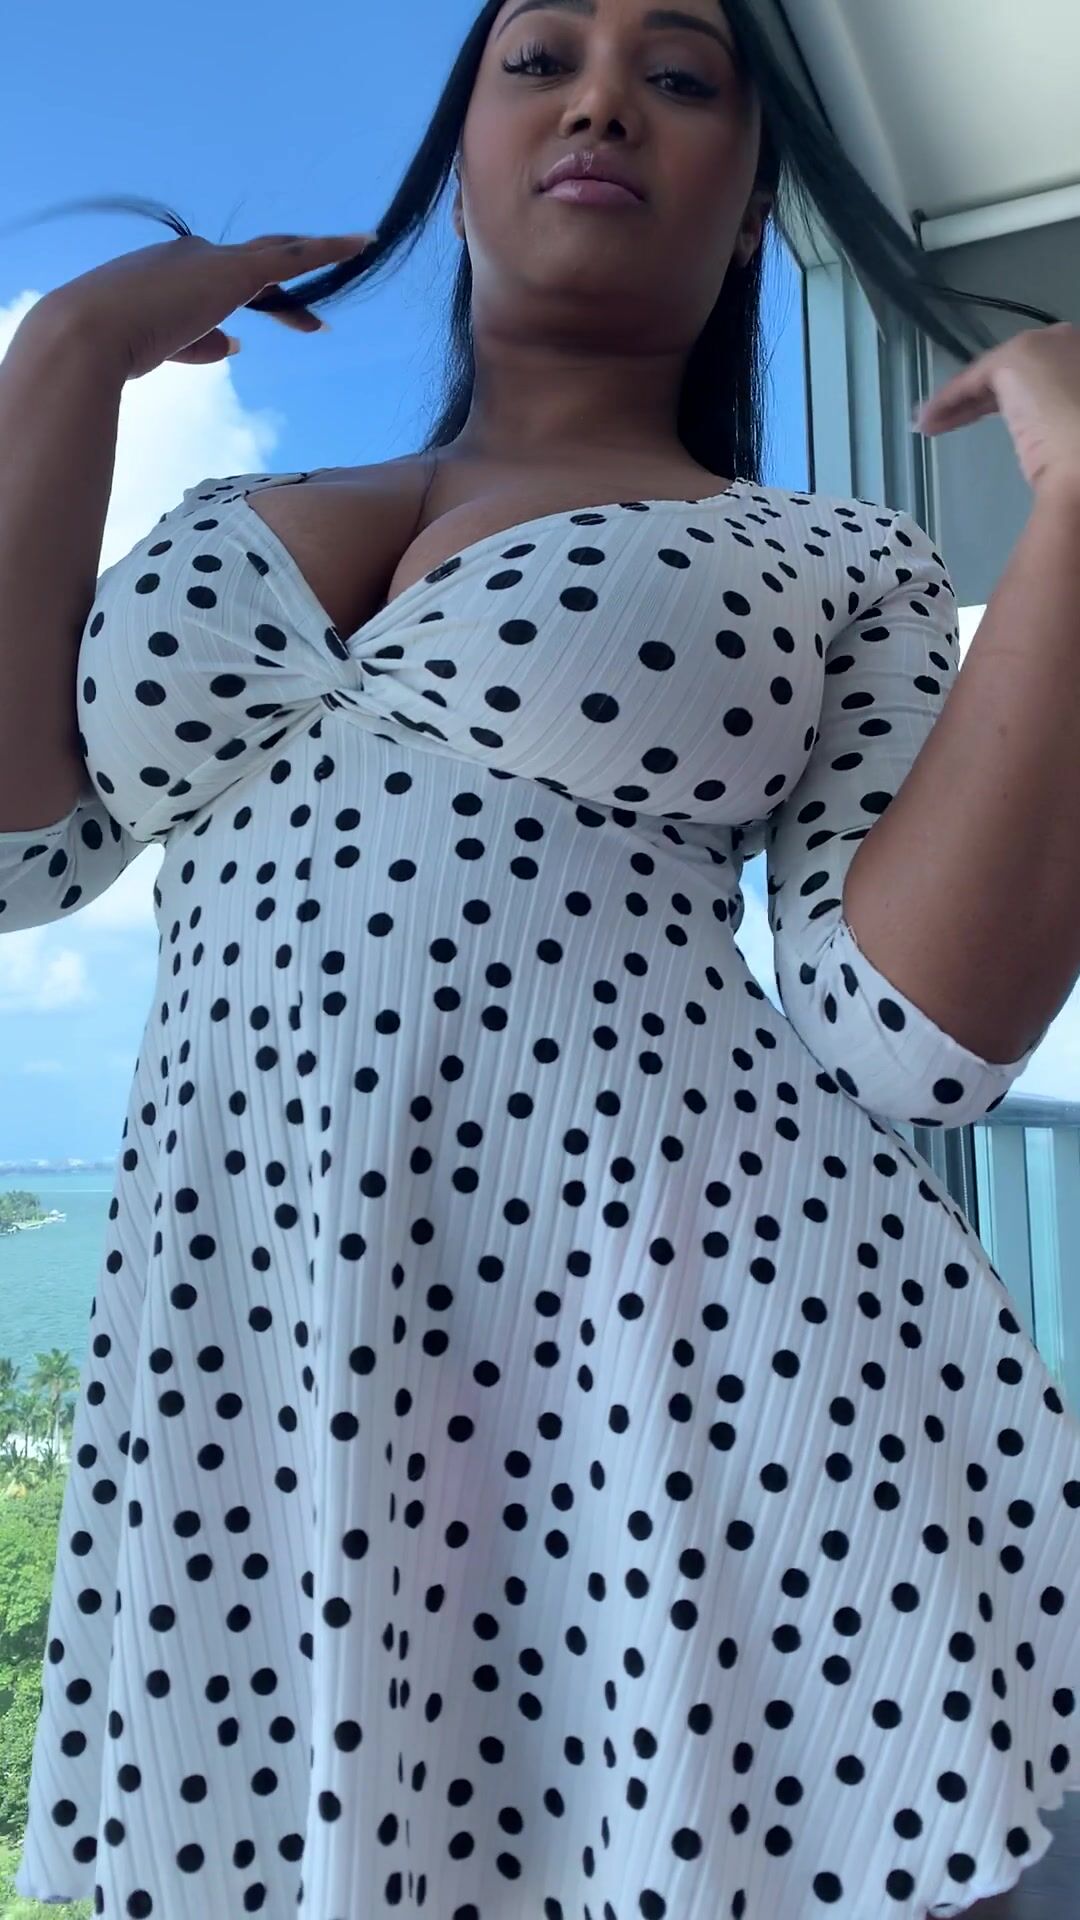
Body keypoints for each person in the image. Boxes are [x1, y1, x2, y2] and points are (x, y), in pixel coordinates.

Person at [1, 1, 1077, 1915]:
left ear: (752, 215)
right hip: (268, 1361)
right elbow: (22, 853)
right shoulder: (215, 516)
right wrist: (66, 357)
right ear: (462, 157)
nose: (601, 100)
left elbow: (906, 1038)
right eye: (541, 58)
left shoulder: (830, 553)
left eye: (682, 76)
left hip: (700, 1363)